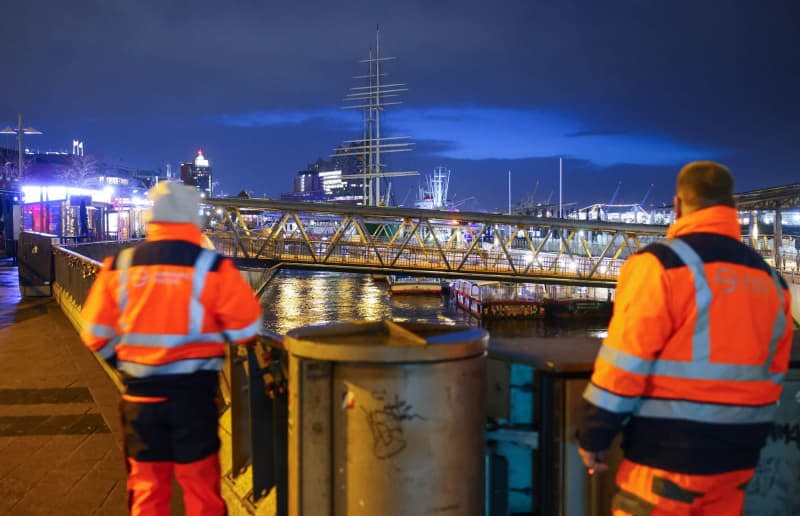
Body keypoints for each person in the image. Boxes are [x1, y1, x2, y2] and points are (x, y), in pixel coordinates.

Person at [577, 161, 792, 514]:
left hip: (668, 455)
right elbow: (774, 371)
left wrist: (594, 434)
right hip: (739, 458)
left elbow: (624, 361)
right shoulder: (771, 282)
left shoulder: (661, 265)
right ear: (732, 209)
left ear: (677, 206)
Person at [80, 181, 262, 515]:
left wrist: (123, 364)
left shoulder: (119, 267)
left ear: (151, 219)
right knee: (201, 490)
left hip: (140, 399)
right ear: (193, 218)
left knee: (148, 490)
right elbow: (248, 327)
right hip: (194, 400)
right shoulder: (212, 267)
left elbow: (94, 333)